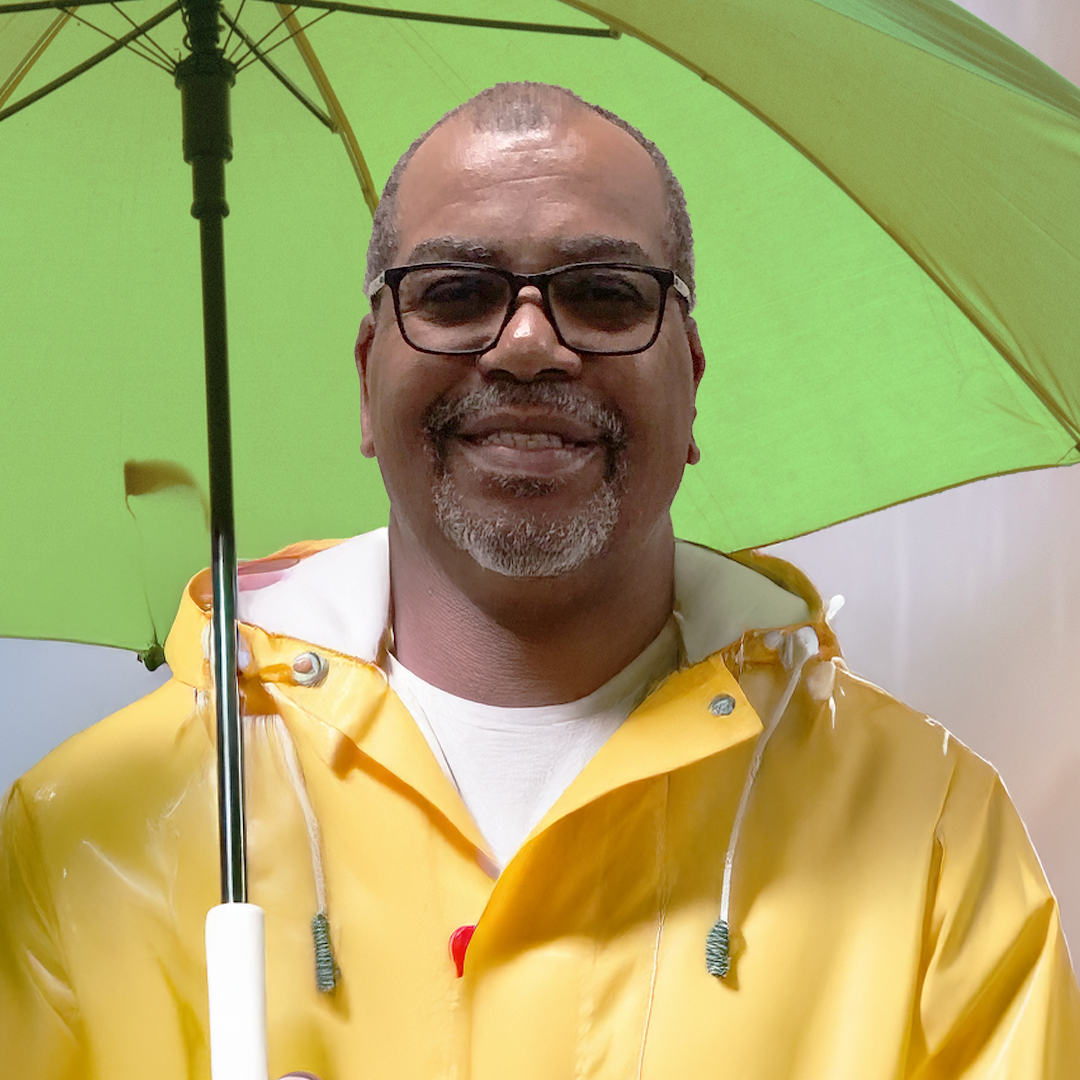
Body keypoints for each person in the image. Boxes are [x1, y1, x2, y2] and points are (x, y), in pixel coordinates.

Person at [2, 82, 1078, 1080]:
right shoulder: (81, 836)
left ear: (692, 382)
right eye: (456, 292)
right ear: (368, 379)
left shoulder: (932, 835)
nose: (526, 346)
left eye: (604, 294)